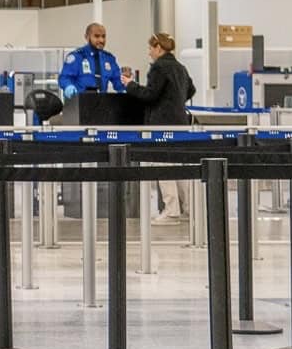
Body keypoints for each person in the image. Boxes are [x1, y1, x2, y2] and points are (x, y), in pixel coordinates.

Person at [123, 32, 196, 223]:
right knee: (180, 165)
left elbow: (150, 95)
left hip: (162, 123)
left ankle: (172, 210)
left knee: (163, 164)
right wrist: (175, 102)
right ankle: (189, 209)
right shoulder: (180, 67)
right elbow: (191, 90)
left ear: (158, 48)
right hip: (180, 122)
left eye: (150, 48)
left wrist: (130, 85)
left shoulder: (159, 68)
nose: (149, 53)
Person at [58, 22, 126, 121]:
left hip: (101, 109)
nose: (101, 40)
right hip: (78, 110)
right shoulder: (77, 57)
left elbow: (118, 81)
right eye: (97, 36)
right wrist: (68, 86)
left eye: (103, 36)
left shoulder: (109, 58)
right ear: (87, 37)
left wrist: (127, 87)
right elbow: (64, 78)